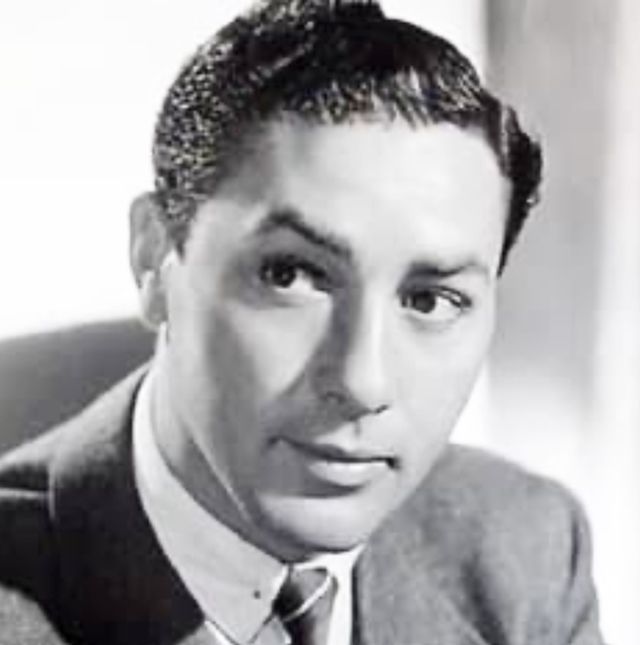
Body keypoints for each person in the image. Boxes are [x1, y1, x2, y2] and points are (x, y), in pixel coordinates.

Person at [0, 0, 604, 643]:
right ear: (154, 258)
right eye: (289, 274)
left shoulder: (526, 549)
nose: (363, 383)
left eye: (430, 301)